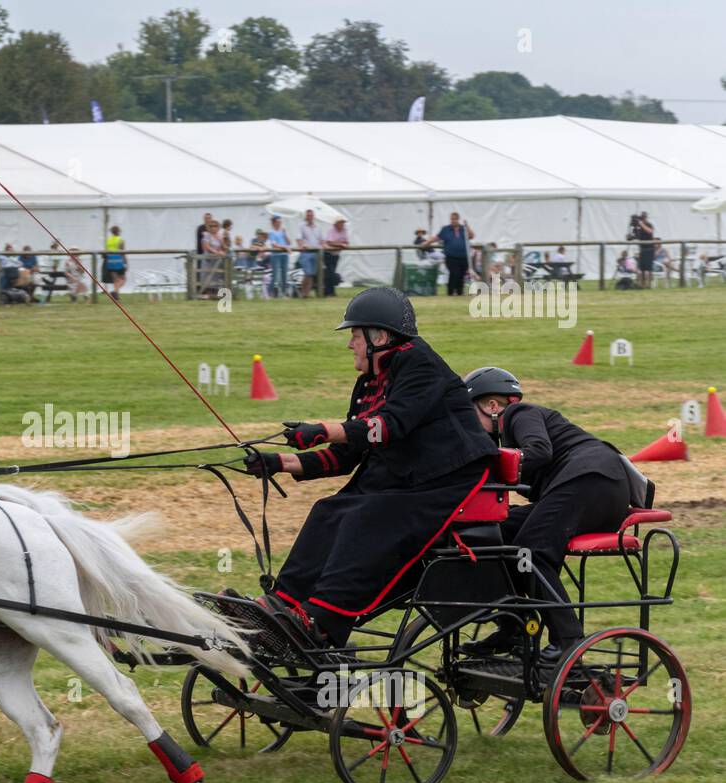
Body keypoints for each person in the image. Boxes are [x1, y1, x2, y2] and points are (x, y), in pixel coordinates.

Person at [243, 288, 498, 648]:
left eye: (354, 335)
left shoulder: (418, 362)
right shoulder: (369, 383)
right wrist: (279, 463)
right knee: (328, 509)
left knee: (366, 517)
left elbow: (390, 425)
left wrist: (321, 430)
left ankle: (323, 619)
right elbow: (347, 454)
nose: (350, 344)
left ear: (379, 337)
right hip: (404, 479)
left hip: (446, 479)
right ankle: (283, 604)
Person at [460, 367, 646, 667]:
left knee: (531, 551)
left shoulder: (519, 413)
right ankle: (513, 627)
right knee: (493, 533)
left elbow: (540, 451)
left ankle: (568, 639)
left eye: (470, 416)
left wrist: (494, 465)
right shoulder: (506, 436)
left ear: (492, 406)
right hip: (581, 487)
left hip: (593, 479)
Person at [424, 212, 474, 295]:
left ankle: (459, 292)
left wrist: (467, 226)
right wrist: (427, 243)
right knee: (454, 273)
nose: (453, 221)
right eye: (452, 219)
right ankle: (450, 292)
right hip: (451, 257)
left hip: (464, 256)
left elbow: (472, 236)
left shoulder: (463, 229)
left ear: (458, 219)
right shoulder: (446, 229)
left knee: (461, 275)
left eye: (455, 219)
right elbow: (437, 237)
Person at [296, 208, 323, 298]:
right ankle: (303, 292)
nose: (310, 217)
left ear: (313, 216)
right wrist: (302, 245)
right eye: (308, 215)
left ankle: (306, 294)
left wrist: (322, 247)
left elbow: (321, 240)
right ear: (306, 216)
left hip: (316, 252)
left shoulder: (318, 227)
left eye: (311, 215)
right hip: (306, 252)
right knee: (307, 273)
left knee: (311, 274)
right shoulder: (301, 226)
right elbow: (299, 239)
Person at [627, 212, 656, 289]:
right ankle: (642, 285)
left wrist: (642, 224)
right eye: (642, 218)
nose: (644, 219)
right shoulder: (637, 228)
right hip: (642, 249)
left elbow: (650, 231)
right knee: (642, 268)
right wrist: (630, 236)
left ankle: (649, 285)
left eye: (645, 218)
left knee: (649, 268)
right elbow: (634, 237)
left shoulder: (649, 225)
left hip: (649, 249)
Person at [323, 218, 349, 297]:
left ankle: (329, 292)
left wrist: (338, 243)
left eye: (343, 223)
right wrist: (340, 244)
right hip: (328, 254)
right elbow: (329, 242)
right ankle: (329, 292)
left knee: (331, 273)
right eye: (341, 222)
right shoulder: (332, 230)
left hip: (336, 255)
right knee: (330, 273)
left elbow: (346, 242)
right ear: (336, 223)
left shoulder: (344, 230)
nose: (342, 224)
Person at [266, 215, 291, 297]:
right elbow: (274, 244)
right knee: (275, 275)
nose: (279, 223)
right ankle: (269, 293)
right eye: (278, 222)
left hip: (284, 255)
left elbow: (289, 242)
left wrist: (285, 234)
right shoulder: (271, 232)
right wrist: (285, 247)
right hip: (276, 255)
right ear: (274, 223)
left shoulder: (282, 231)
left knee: (285, 275)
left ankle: (284, 293)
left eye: (280, 222)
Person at [103, 225, 127, 300]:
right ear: (118, 231)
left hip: (110, 261)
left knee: (115, 280)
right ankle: (115, 292)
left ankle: (116, 295)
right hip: (119, 261)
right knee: (123, 279)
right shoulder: (120, 240)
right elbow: (123, 253)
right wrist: (125, 263)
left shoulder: (108, 240)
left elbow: (106, 251)